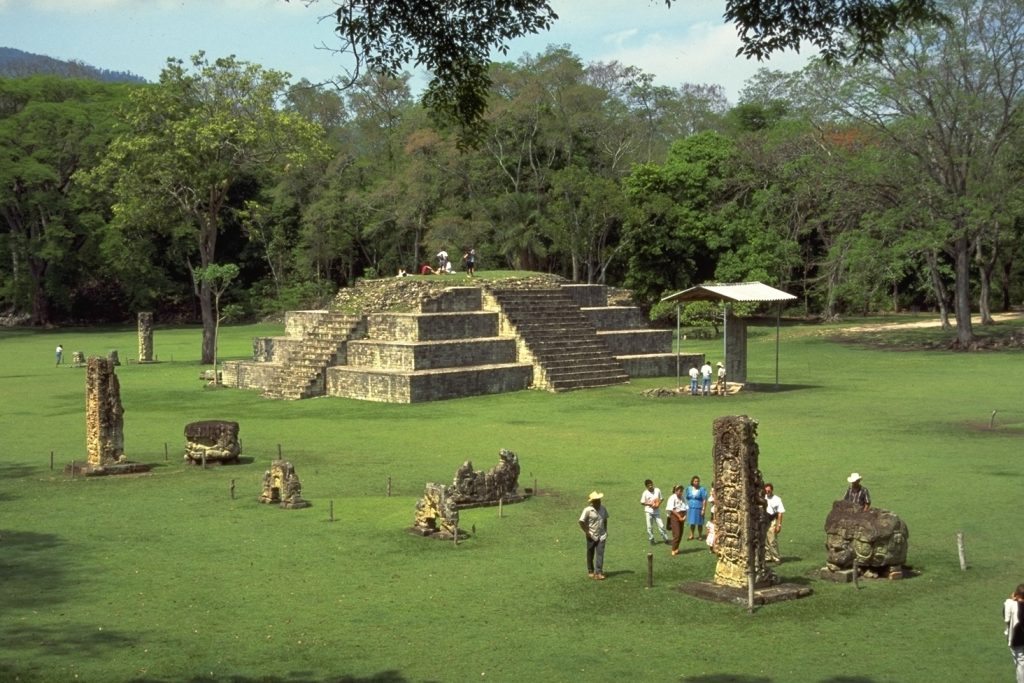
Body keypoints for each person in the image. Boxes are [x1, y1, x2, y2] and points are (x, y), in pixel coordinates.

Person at [578, 490, 609, 580]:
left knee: (600, 554)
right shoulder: (587, 510)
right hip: (591, 535)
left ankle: (598, 572)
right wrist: (587, 532)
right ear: (592, 502)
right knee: (590, 552)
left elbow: (605, 519)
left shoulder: (603, 508)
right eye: (596, 501)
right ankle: (590, 570)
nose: (599, 502)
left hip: (601, 535)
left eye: (599, 500)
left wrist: (606, 531)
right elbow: (581, 521)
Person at [640, 479, 670, 546]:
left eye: (651, 485)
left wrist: (658, 504)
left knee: (661, 525)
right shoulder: (645, 493)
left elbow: (661, 499)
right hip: (648, 512)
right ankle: (651, 539)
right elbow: (642, 502)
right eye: (648, 486)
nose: (650, 486)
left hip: (656, 512)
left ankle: (666, 539)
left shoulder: (657, 490)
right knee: (649, 527)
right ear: (646, 487)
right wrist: (650, 504)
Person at [1004, 583, 1024, 683]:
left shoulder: (1012, 605)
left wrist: (1011, 599)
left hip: (1017, 639)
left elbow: (1006, 618)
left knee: (1020, 662)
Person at [764, 482, 785, 563]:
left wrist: (779, 525)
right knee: (765, 540)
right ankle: (767, 556)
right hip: (764, 520)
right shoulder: (763, 497)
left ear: (772, 490)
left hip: (772, 520)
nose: (767, 492)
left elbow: (780, 513)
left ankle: (776, 557)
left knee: (772, 540)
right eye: (766, 491)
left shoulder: (777, 499)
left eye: (769, 491)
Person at [684, 475, 708, 540]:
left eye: (698, 481)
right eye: (695, 481)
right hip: (691, 508)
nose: (696, 482)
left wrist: (703, 509)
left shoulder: (702, 489)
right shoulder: (689, 489)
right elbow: (686, 498)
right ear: (692, 482)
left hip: (699, 508)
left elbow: (704, 499)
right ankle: (692, 535)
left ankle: (700, 535)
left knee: (699, 523)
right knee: (692, 522)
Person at [665, 484, 686, 556]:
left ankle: (677, 548)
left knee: (681, 533)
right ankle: (673, 549)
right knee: (676, 533)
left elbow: (685, 507)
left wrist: (685, 516)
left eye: (682, 491)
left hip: (682, 516)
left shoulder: (682, 498)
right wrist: (679, 517)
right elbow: (672, 509)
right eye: (679, 491)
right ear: (676, 491)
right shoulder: (672, 498)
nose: (681, 493)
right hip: (675, 516)